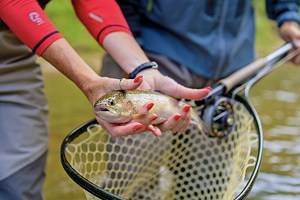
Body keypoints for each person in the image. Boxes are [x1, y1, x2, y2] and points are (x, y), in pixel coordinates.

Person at [0, 0, 210, 199]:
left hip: (14, 52)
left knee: (19, 183)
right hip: (19, 28)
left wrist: (142, 68)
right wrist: (88, 81)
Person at [101, 0, 300, 89]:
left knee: (212, 175)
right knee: (132, 173)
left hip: (233, 72)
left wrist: (288, 16)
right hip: (154, 60)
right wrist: (132, 59)